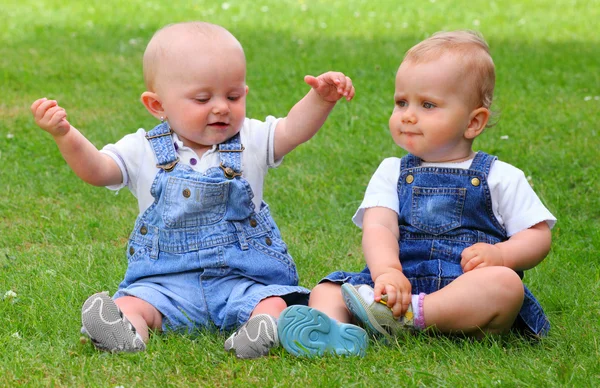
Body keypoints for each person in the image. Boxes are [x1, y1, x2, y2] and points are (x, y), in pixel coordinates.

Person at [30, 21, 360, 359]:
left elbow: (294, 129)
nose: (220, 107)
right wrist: (65, 135)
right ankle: (126, 331)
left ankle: (261, 328)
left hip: (242, 278)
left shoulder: (252, 139)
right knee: (133, 302)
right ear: (157, 105)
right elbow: (97, 170)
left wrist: (320, 99)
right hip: (165, 283)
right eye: (202, 98)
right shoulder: (142, 148)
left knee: (272, 301)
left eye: (233, 96)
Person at [278, 30, 556, 353]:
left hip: (463, 288)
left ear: (473, 123)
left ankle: (412, 316)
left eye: (427, 104)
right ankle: (333, 332)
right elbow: (379, 226)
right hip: (396, 283)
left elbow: (537, 235)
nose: (407, 115)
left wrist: (502, 256)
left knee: (506, 285)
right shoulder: (392, 171)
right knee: (328, 288)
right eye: (401, 102)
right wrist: (387, 272)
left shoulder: (499, 176)